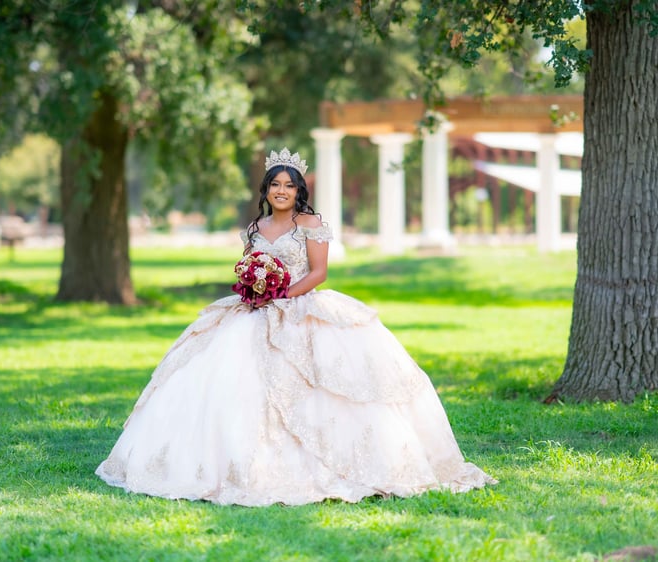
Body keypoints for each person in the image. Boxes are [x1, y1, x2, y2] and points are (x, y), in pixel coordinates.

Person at [96, 148, 496, 506]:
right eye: (275, 185)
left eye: (289, 185)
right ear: (266, 190)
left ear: (298, 190)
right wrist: (255, 287)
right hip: (255, 309)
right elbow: (249, 267)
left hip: (300, 303)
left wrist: (281, 294)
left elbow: (319, 272)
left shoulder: (310, 224)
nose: (281, 191)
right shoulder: (255, 229)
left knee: (322, 382)